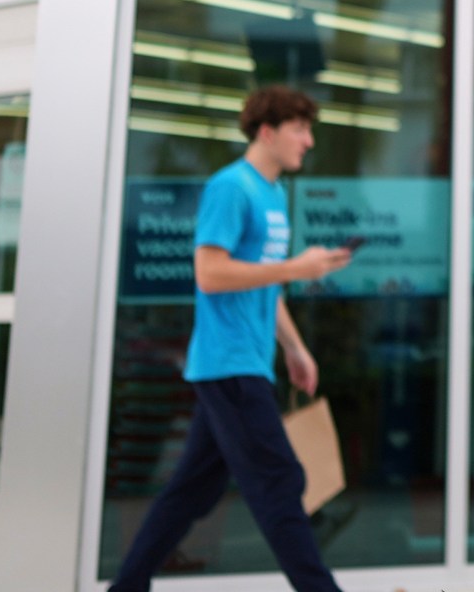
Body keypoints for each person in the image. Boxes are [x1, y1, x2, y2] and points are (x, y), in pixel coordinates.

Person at [111, 85, 355, 592]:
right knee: (280, 482)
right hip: (230, 363)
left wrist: (294, 347)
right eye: (299, 130)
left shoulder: (274, 195)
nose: (308, 141)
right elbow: (210, 273)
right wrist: (297, 267)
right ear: (267, 132)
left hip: (245, 361)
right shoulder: (231, 188)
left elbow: (263, 281)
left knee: (190, 493)